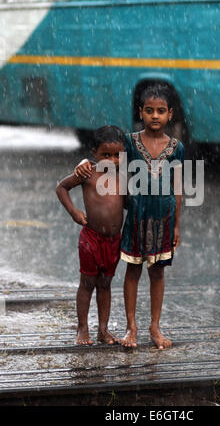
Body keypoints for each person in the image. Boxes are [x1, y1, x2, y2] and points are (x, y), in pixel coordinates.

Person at [74, 84, 184, 350]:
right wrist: (82, 164)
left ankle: (155, 327)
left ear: (170, 114)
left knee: (157, 273)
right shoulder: (130, 143)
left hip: (163, 218)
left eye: (160, 111)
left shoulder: (177, 148)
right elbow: (105, 156)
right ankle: (131, 327)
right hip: (136, 216)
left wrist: (177, 225)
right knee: (132, 271)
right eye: (149, 111)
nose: (154, 116)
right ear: (140, 113)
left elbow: (178, 187)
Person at [56, 125, 126, 346]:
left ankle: (103, 330)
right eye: (106, 155)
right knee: (87, 283)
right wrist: (74, 212)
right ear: (94, 152)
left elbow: (130, 204)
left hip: (114, 241)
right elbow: (61, 187)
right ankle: (82, 327)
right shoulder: (87, 173)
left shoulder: (124, 177)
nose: (112, 160)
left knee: (105, 284)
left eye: (117, 155)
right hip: (92, 238)